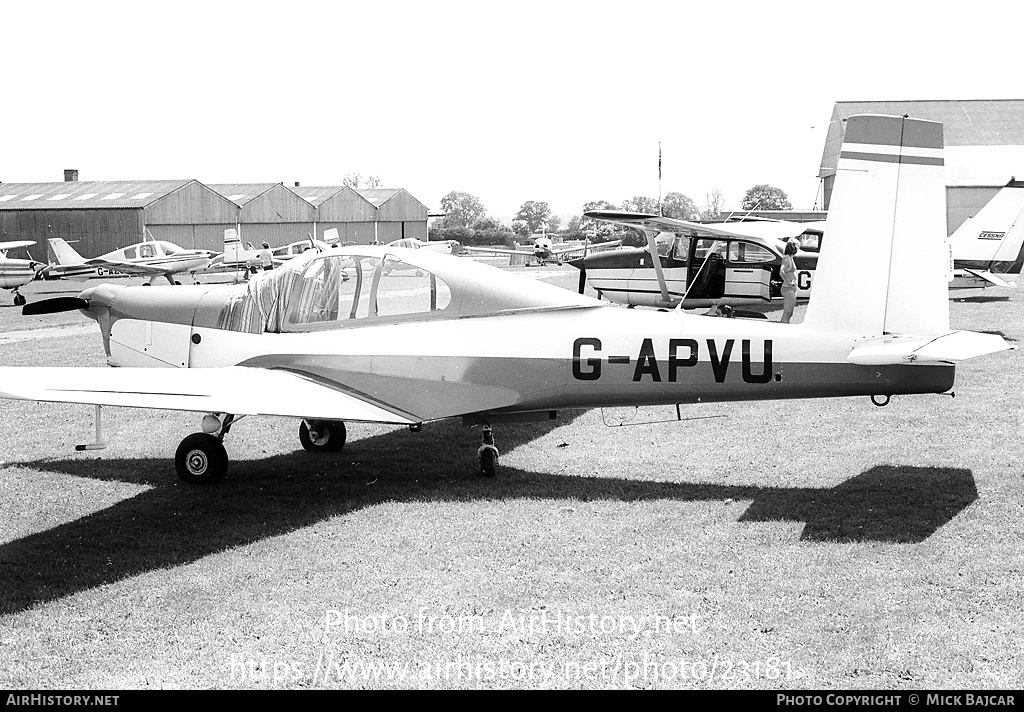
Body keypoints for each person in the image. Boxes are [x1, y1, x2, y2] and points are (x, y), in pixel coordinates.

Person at [780, 239, 798, 323]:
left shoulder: (791, 258)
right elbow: (781, 271)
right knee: (787, 313)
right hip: (787, 288)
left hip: (792, 288)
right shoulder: (786, 258)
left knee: (790, 313)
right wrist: (788, 281)